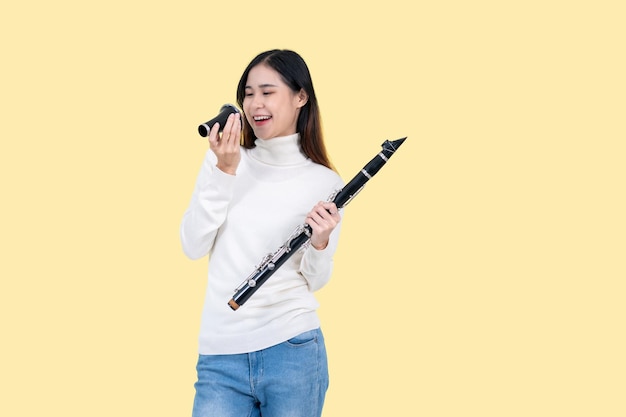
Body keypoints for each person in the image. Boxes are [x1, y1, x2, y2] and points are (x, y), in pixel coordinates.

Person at [180, 49, 344, 417]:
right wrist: (225, 171)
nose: (255, 104)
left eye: (267, 92)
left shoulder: (325, 182)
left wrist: (320, 244)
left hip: (294, 350)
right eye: (248, 93)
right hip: (220, 354)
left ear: (301, 96)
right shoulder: (223, 159)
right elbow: (192, 245)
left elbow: (316, 280)